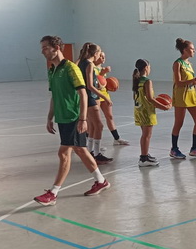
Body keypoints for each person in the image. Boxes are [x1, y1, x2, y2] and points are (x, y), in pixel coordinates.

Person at [33, 36, 109, 205]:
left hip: (73, 117)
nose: (42, 51)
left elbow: (83, 94)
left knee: (64, 153)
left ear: (56, 48)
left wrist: (83, 118)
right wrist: (50, 117)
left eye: (45, 47)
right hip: (62, 118)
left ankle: (53, 193)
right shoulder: (52, 70)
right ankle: (101, 181)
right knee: (80, 150)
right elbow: (54, 96)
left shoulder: (70, 68)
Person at [170, 37, 196, 159]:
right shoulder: (177, 63)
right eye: (192, 49)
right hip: (181, 96)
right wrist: (193, 80)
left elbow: (190, 81)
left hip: (191, 95)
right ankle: (174, 149)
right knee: (179, 123)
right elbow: (179, 82)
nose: (194, 51)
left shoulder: (190, 64)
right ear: (185, 50)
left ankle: (195, 148)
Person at [77, 42, 112, 164]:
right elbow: (90, 86)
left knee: (92, 126)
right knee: (99, 126)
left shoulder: (81, 62)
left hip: (85, 97)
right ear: (96, 53)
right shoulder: (89, 64)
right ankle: (97, 154)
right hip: (90, 97)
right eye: (99, 53)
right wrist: (105, 97)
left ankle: (90, 151)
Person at [132, 59, 170, 167]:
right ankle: (143, 159)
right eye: (149, 67)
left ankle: (145, 154)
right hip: (146, 111)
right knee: (147, 135)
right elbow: (150, 98)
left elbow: (138, 97)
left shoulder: (137, 80)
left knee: (144, 135)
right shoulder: (147, 81)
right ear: (146, 68)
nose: (150, 69)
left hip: (138, 110)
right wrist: (163, 107)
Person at [94, 50, 129, 149]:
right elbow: (95, 83)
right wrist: (102, 73)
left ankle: (116, 138)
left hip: (105, 94)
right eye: (101, 56)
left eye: (104, 57)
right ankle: (93, 143)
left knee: (110, 116)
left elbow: (103, 83)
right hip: (96, 95)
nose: (103, 58)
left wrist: (110, 85)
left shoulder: (102, 68)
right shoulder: (91, 67)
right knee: (95, 121)